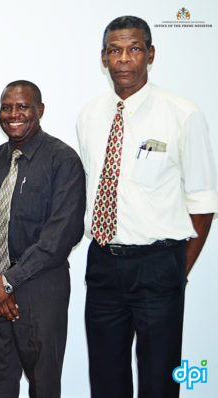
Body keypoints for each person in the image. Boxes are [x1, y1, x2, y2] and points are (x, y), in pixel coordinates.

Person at [77, 15, 218, 398]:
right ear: (103, 58)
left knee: (159, 383)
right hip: (103, 264)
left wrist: (175, 268)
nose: (124, 59)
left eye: (134, 49)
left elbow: (204, 202)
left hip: (158, 267)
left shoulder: (182, 113)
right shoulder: (89, 116)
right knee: (106, 382)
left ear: (150, 54)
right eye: (115, 51)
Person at [0, 81, 86, 398]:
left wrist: (9, 280)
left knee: (43, 385)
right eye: (6, 107)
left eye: (22, 106)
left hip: (40, 290)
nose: (13, 114)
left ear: (40, 110)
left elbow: (62, 234)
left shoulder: (63, 161)